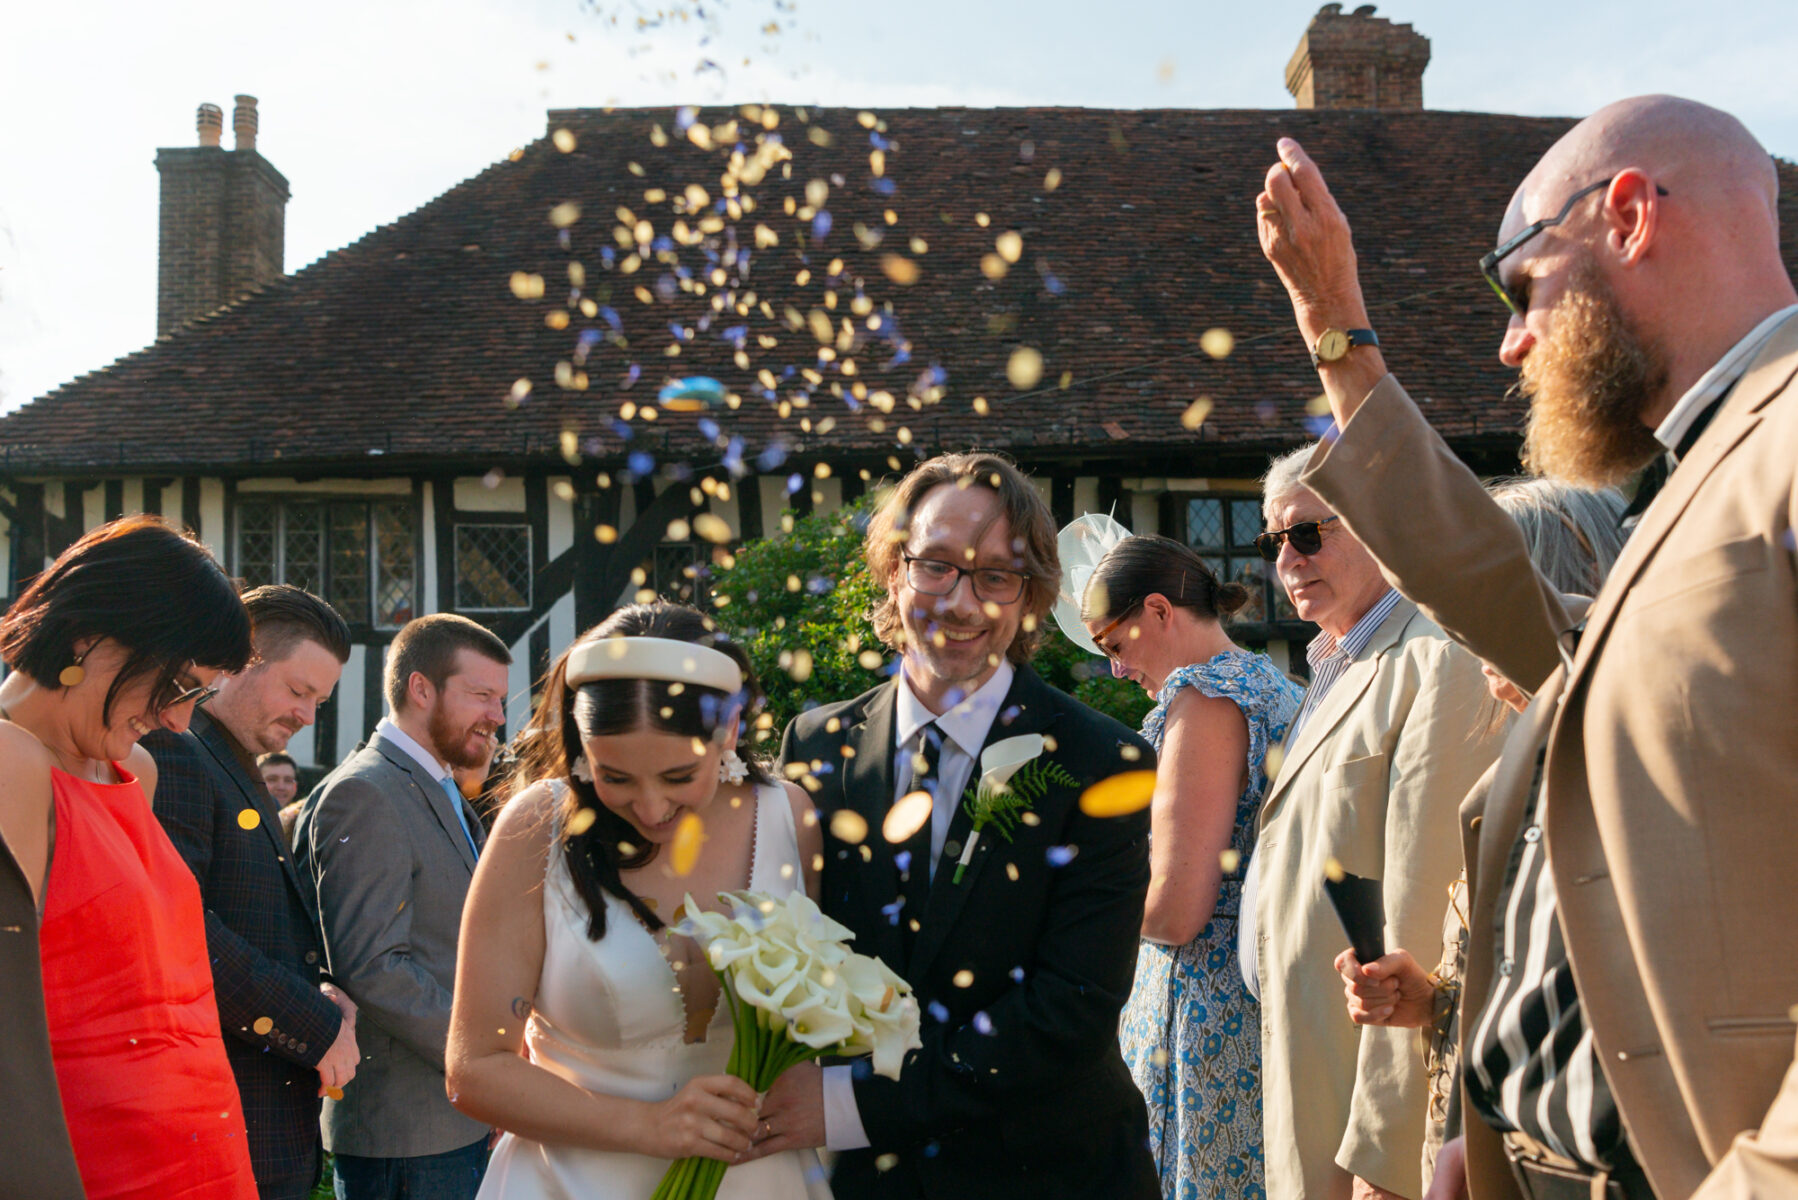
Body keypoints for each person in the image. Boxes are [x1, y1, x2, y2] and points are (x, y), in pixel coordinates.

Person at [1256, 94, 1798, 1200]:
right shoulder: (1702, 471)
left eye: (1520, 286)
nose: (1511, 341)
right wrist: (1337, 337)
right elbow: (1518, 614)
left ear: (1631, 215)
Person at [757, 452, 1161, 1200]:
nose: (962, 603)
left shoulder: (1105, 762)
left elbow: (1068, 1012)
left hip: (1050, 1172)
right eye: (936, 566)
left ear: (1031, 597)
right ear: (893, 570)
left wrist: (851, 1105)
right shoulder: (813, 747)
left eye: (996, 577)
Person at [445, 602, 828, 1199]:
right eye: (615, 777)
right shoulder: (537, 828)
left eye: (679, 777)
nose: (650, 809)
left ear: (728, 731)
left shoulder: (789, 818)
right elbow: (474, 1070)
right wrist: (649, 1126)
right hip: (568, 1184)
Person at [1330, 481, 1624, 1190]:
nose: (1463, 637)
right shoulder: (1520, 759)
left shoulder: (1621, 767)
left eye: (1481, 605)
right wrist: (1431, 999)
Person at [1248, 450, 1499, 1200]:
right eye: (1273, 543)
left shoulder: (1438, 658)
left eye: (1308, 535)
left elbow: (1423, 917)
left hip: (1365, 1121)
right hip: (1312, 1072)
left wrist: (1387, 1156)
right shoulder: (1338, 663)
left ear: (1380, 526)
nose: (1287, 559)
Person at [0, 515, 257, 1200]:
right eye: (176, 685)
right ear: (91, 638)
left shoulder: (133, 771)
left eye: (197, 695)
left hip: (205, 1158)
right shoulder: (9, 762)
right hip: (88, 1169)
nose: (180, 719)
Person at [1060, 522, 1303, 1199]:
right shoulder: (1273, 684)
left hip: (1203, 1012)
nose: (1114, 667)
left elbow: (1173, 908)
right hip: (1256, 1001)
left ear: (1160, 610)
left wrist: (1071, 902)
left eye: (1113, 644)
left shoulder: (1204, 698)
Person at [143, 584, 357, 1200]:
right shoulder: (177, 752)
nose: (308, 715)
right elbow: (180, 931)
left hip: (258, 1118)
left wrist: (322, 990)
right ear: (240, 659)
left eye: (320, 699)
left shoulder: (230, 761)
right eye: (298, 690)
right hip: (221, 1122)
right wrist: (316, 1024)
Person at [295, 614, 511, 1200]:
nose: (497, 715)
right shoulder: (365, 793)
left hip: (449, 1121)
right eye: (481, 695)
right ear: (421, 689)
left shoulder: (436, 786)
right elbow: (373, 968)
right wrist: (484, 1064)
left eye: (500, 699)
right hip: (406, 1137)